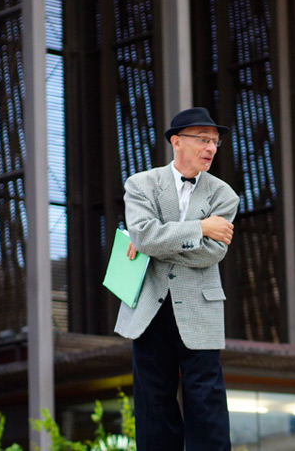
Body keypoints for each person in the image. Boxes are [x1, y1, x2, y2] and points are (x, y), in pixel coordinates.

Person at [114, 107, 239, 451]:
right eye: (203, 139)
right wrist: (200, 227)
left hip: (200, 305)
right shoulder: (140, 184)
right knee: (153, 402)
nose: (210, 148)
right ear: (177, 141)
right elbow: (144, 235)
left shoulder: (224, 195)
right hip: (148, 305)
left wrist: (153, 242)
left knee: (207, 401)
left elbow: (212, 253)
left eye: (214, 141)